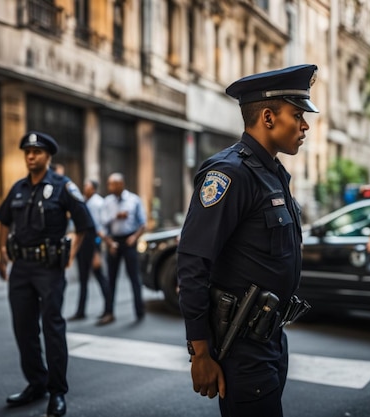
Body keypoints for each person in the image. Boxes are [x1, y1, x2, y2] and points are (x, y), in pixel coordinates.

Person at [177, 64, 319, 417]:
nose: (305, 125)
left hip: (270, 337)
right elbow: (193, 263)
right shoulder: (230, 173)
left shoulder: (272, 173)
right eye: (298, 114)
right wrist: (200, 352)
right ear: (268, 117)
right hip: (243, 347)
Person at [0, 131, 94, 417]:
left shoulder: (63, 186)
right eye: (27, 151)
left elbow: (84, 225)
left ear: (48, 156)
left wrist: (70, 256)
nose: (30, 156)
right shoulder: (18, 188)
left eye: (36, 152)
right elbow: (2, 219)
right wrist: (2, 251)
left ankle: (56, 392)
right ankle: (35, 383)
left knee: (52, 328)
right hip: (21, 268)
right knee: (23, 328)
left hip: (49, 268)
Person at [97, 172, 147, 325]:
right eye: (109, 184)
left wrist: (134, 237)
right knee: (111, 279)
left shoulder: (134, 200)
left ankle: (139, 311)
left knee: (134, 278)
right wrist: (109, 241)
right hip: (113, 241)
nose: (111, 187)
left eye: (113, 184)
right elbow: (101, 225)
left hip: (129, 240)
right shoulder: (106, 202)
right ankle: (109, 312)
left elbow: (143, 224)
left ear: (121, 184)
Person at [70, 178, 112, 320]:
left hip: (92, 245)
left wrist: (96, 250)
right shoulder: (85, 201)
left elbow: (98, 228)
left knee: (100, 277)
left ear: (93, 188)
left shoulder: (97, 203)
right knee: (83, 279)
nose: (84, 187)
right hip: (83, 244)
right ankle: (80, 311)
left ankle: (108, 309)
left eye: (86, 185)